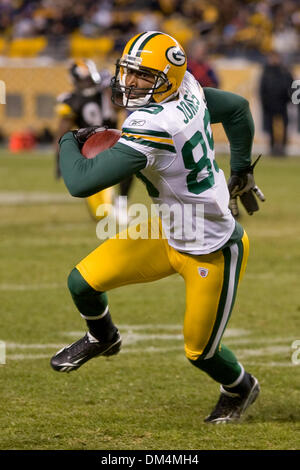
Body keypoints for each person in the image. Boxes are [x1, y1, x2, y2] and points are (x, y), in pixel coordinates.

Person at [51, 31, 265, 424]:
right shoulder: (187, 90)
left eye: (144, 77)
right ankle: (103, 336)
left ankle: (240, 386)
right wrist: (240, 171)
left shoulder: (155, 124)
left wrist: (68, 138)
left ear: (168, 76)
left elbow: (80, 183)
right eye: (129, 72)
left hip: (212, 249)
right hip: (168, 229)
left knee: (201, 352)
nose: (130, 83)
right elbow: (236, 108)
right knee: (81, 283)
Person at [55, 59, 133, 221]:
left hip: (112, 142)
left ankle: (122, 203)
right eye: (84, 80)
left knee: (129, 159)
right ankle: (112, 203)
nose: (88, 83)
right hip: (90, 152)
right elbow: (62, 132)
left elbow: (120, 105)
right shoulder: (71, 100)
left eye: (89, 78)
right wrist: (59, 159)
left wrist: (110, 88)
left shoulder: (106, 93)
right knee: (101, 214)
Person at [259, 51, 294, 156]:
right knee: (270, 127)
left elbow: (292, 86)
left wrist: (290, 100)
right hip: (270, 104)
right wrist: (264, 102)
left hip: (283, 104)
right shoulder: (266, 72)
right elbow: (262, 89)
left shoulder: (285, 71)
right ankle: (272, 147)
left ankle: (283, 147)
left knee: (285, 126)